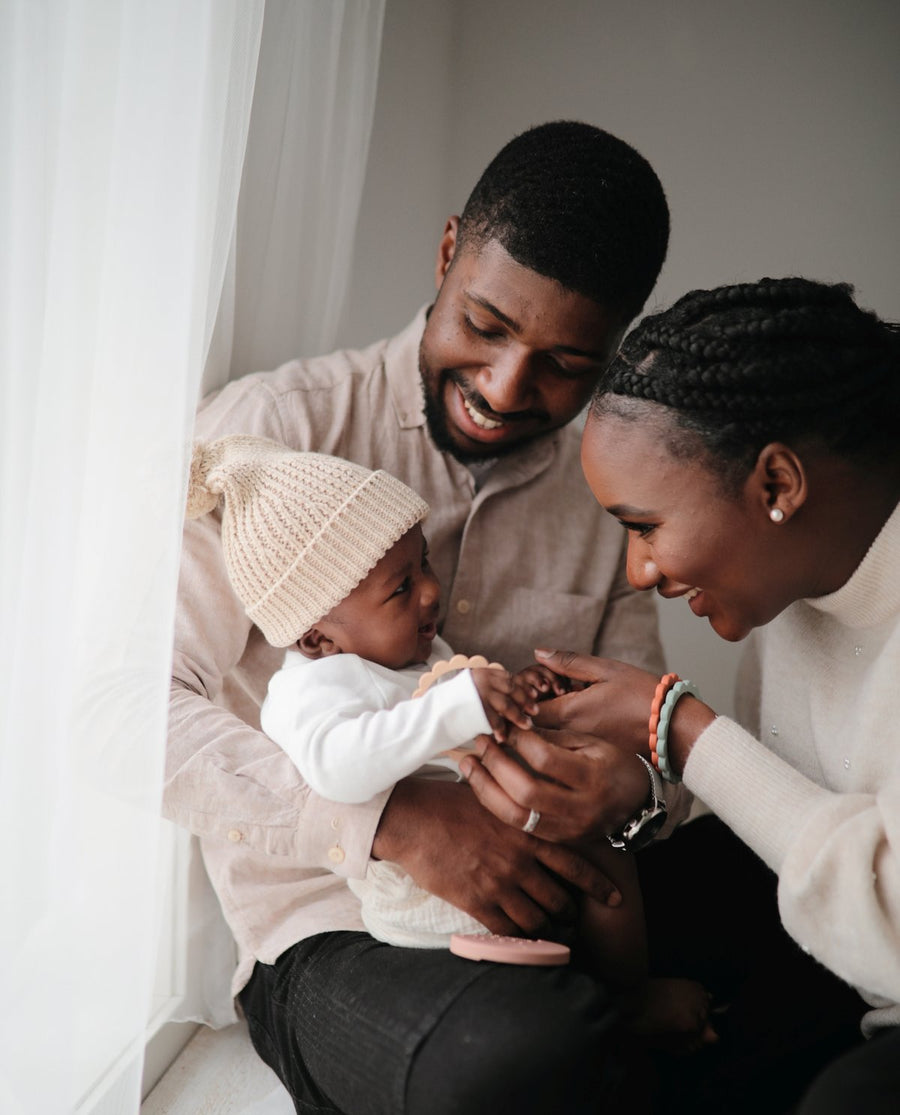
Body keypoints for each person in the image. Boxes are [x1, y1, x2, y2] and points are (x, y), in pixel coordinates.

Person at [169, 119, 678, 1113]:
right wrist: (389, 820)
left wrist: (624, 784)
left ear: (614, 347)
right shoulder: (275, 435)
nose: (504, 388)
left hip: (554, 884)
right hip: (333, 932)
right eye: (486, 326)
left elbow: (646, 758)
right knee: (516, 1056)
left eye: (566, 362)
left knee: (798, 907)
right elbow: (124, 699)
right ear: (448, 253)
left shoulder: (612, 495)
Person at [459, 277, 900, 1113]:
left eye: (646, 527)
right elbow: (785, 826)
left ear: (777, 485)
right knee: (578, 916)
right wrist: (629, 797)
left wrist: (682, 727)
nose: (639, 572)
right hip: (835, 953)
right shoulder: (795, 588)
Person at [186, 435, 713, 1045]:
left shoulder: (404, 649)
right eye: (401, 588)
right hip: (429, 895)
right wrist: (457, 706)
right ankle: (625, 1002)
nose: (432, 591)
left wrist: (520, 696)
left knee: (608, 848)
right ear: (315, 639)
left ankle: (620, 994)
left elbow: (456, 721)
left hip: (497, 836)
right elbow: (338, 769)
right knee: (593, 870)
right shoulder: (311, 691)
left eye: (424, 564)